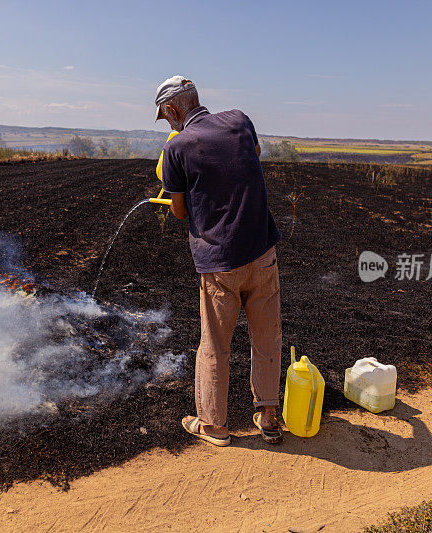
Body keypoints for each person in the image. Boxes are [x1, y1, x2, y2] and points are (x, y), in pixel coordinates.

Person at [154, 75, 283, 446]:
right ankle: (269, 417)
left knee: (214, 345)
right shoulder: (240, 120)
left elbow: (179, 212)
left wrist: (191, 194)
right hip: (262, 254)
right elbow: (251, 160)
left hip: (219, 264)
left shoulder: (177, 148)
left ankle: (214, 427)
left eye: (166, 118)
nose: (169, 124)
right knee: (267, 337)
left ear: (174, 109)